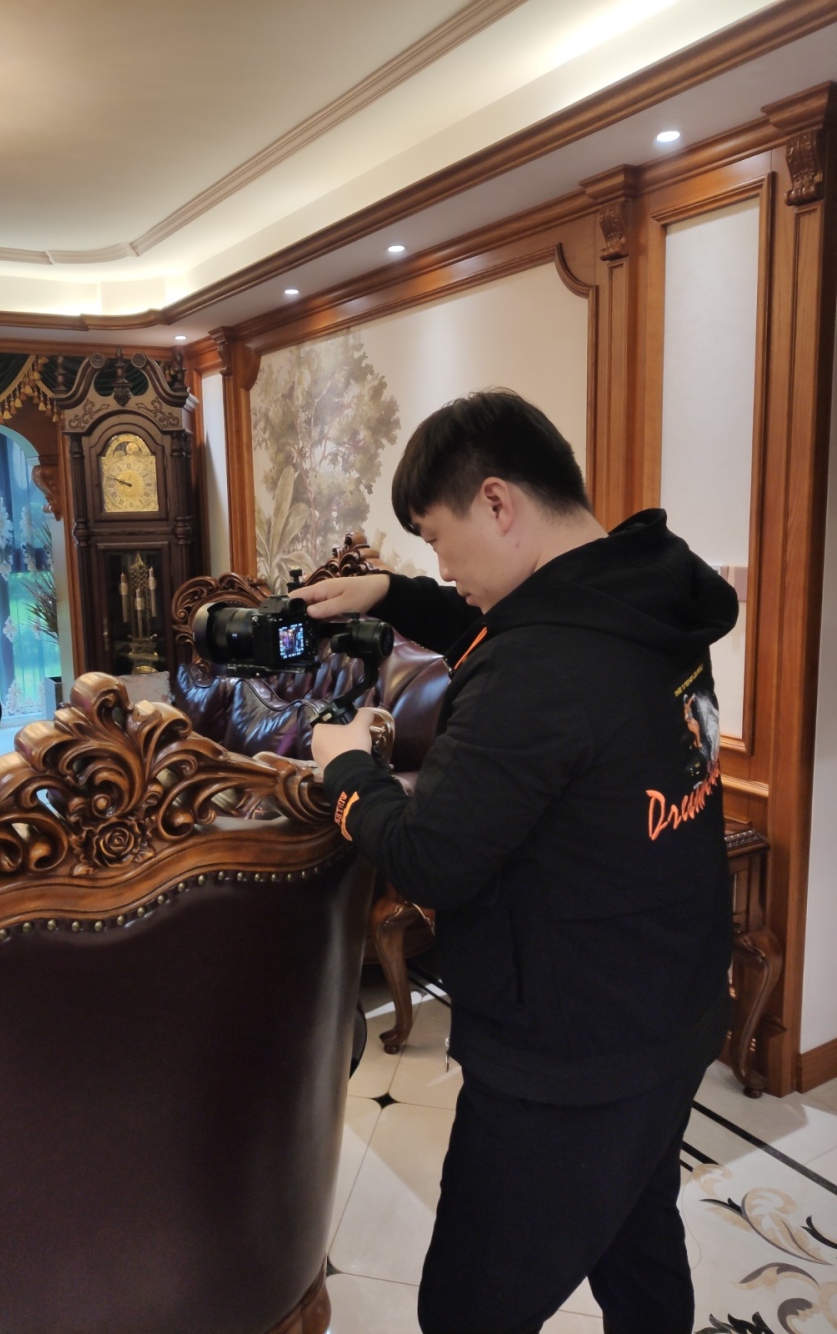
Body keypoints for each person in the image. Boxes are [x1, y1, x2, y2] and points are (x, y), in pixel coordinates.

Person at [300, 390, 737, 1334]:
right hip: (677, 1000)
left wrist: (347, 769)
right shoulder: (649, 589)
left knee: (472, 1306)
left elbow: (429, 859)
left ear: (497, 502)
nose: (444, 571)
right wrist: (390, 593)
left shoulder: (538, 668)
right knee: (638, 1242)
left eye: (438, 540)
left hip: (570, 1054)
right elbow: (518, 628)